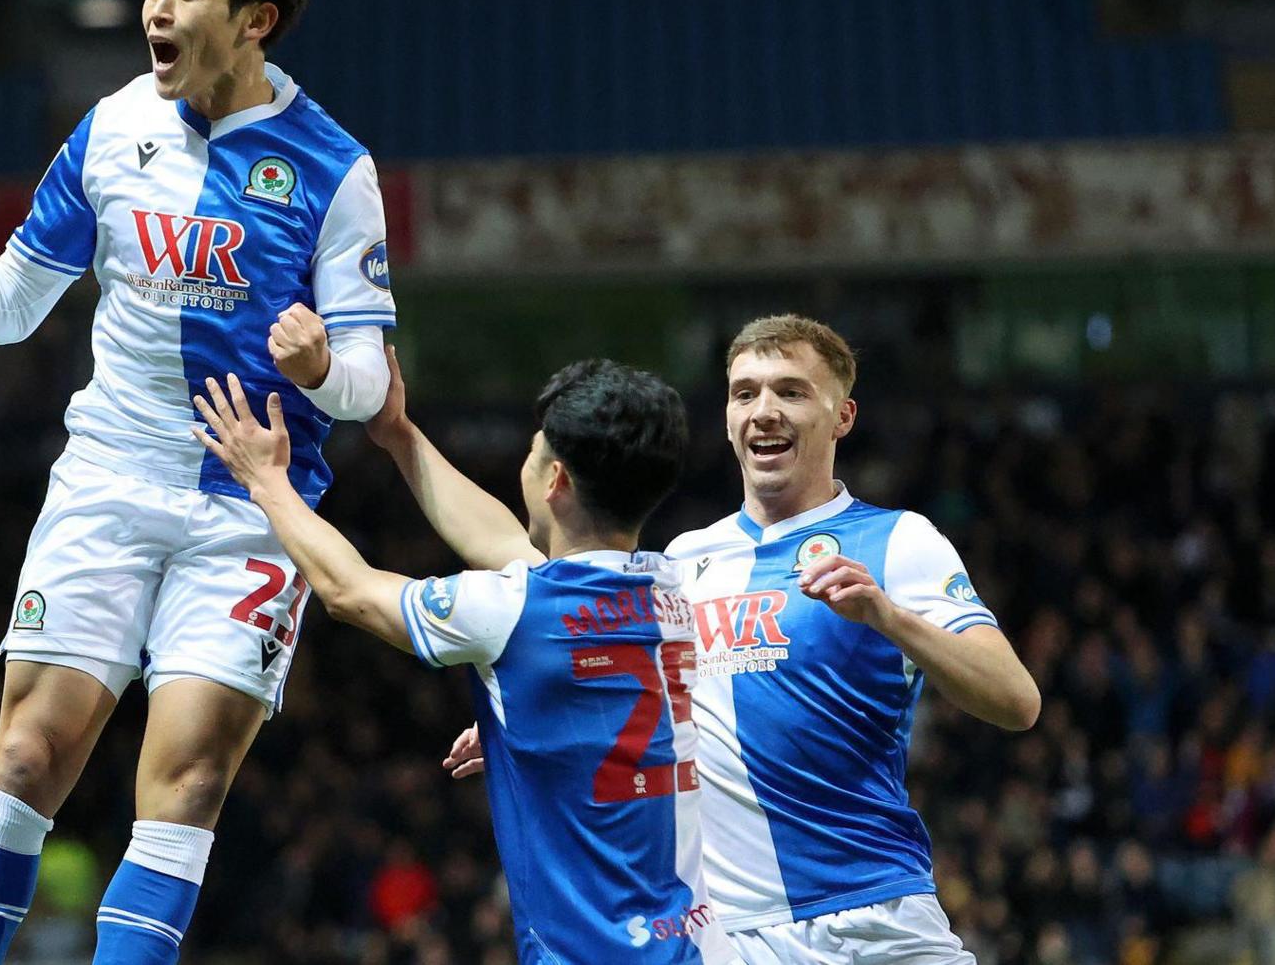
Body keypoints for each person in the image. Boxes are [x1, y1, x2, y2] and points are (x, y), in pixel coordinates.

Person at [0, 0, 396, 965]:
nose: (154, 7)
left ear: (253, 19)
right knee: (28, 752)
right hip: (106, 475)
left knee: (186, 775)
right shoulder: (108, 131)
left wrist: (324, 361)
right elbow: (8, 307)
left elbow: (372, 387)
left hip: (249, 503)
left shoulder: (334, 169)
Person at [378, 316, 1041, 965]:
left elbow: (1015, 699)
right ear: (726, 417)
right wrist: (400, 435)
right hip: (727, 937)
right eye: (745, 392)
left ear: (843, 416)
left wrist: (888, 617)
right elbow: (514, 551)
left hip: (874, 919)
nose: (765, 410)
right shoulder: (684, 560)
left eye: (791, 390)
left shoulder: (899, 541)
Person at [190, 363, 737, 963]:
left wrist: (266, 481)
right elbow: (506, 547)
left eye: (533, 455)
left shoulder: (515, 609)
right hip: (696, 945)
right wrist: (398, 433)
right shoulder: (672, 588)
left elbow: (351, 592)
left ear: (553, 478)